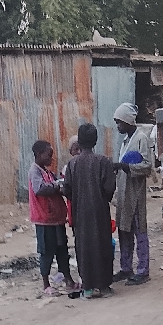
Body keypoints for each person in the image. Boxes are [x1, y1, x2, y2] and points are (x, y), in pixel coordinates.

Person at [63, 123, 117, 299]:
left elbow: (66, 189)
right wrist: (101, 198)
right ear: (95, 141)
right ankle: (104, 287)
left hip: (80, 214)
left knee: (83, 248)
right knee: (102, 246)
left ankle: (87, 288)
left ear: (79, 141)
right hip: (100, 212)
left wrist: (78, 198)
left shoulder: (72, 164)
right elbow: (109, 188)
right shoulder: (103, 162)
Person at [28, 140, 79, 295]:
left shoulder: (48, 173)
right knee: (47, 252)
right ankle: (46, 284)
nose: (51, 158)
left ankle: (68, 280)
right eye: (48, 155)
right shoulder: (35, 171)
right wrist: (57, 186)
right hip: (44, 220)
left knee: (62, 250)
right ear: (39, 154)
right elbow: (39, 189)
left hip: (56, 219)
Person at [111, 102, 153, 285]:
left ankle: (143, 270)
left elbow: (147, 166)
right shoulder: (126, 141)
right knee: (124, 230)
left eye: (119, 122)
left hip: (135, 193)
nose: (118, 126)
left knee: (139, 230)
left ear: (128, 121)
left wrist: (125, 166)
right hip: (123, 193)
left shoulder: (141, 139)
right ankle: (126, 267)